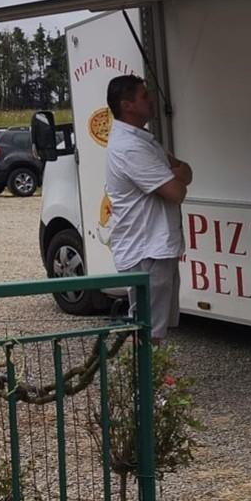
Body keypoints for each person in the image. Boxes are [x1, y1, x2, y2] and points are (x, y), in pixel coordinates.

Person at [104, 75, 192, 344]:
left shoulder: (143, 141)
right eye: (144, 96)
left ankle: (148, 381)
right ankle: (142, 384)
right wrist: (173, 174)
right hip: (146, 249)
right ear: (127, 105)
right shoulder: (129, 148)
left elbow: (186, 171)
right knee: (148, 331)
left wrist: (172, 173)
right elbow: (177, 191)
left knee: (154, 327)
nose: (151, 100)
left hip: (155, 245)